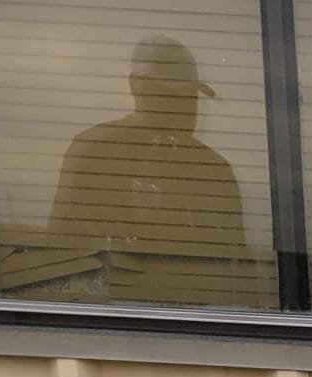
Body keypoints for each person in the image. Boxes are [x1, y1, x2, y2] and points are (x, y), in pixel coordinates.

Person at [49, 36, 243, 263]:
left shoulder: (214, 171)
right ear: (135, 86)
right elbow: (60, 250)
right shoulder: (93, 152)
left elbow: (235, 268)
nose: (181, 107)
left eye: (189, 96)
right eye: (167, 94)